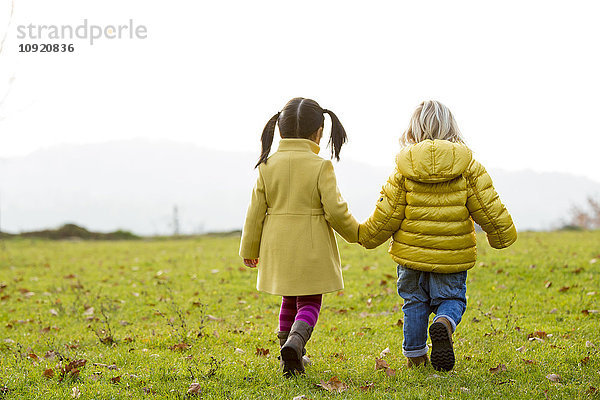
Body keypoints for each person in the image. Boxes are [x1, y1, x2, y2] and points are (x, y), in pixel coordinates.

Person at [359, 100, 517, 371]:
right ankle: (444, 321)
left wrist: (366, 235)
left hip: (410, 257)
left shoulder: (403, 170)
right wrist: (501, 235)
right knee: (452, 299)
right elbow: (489, 208)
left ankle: (416, 357)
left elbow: (387, 214)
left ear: (412, 131)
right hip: (452, 256)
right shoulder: (468, 167)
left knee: (414, 302)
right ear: (451, 129)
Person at [239, 97, 358, 376]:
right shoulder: (320, 166)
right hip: (311, 246)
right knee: (310, 301)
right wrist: (357, 234)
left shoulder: (267, 166)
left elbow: (255, 212)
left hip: (277, 247)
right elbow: (336, 212)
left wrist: (249, 249)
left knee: (288, 299)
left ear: (279, 129)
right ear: (319, 131)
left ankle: (288, 359)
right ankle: (296, 342)